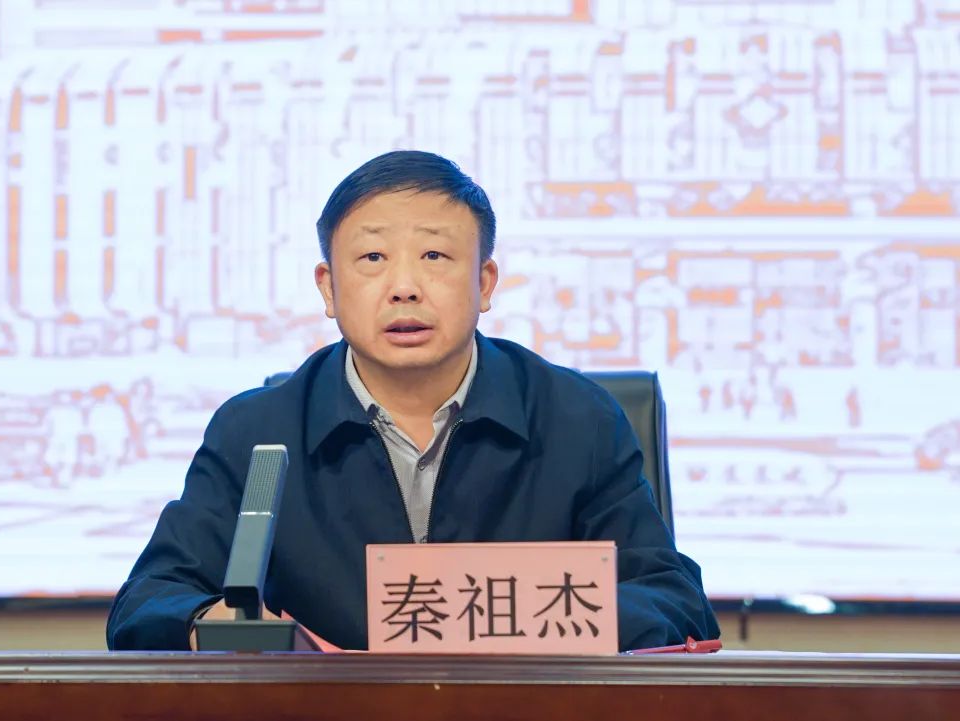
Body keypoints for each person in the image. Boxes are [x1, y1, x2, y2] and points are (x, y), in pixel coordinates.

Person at [107, 150, 719, 651]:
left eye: (434, 256)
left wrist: (535, 622)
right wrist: (213, 626)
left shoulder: (578, 418)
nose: (404, 287)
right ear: (329, 287)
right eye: (372, 258)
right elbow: (150, 601)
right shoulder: (256, 430)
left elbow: (672, 598)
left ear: (484, 283)